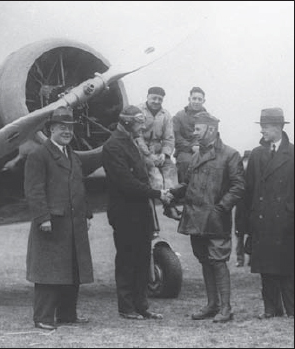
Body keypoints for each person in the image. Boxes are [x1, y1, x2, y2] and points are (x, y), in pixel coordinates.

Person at [170, 111, 245, 323]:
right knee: (204, 261)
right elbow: (188, 184)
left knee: (218, 261)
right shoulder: (195, 155)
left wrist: (221, 208)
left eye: (197, 129)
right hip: (196, 219)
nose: (193, 133)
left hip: (215, 220)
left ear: (210, 129)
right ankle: (212, 305)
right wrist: (174, 192)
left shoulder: (230, 154)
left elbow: (239, 186)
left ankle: (226, 308)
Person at [24, 106, 94, 330]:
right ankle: (43, 318)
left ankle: (67, 315)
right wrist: (43, 218)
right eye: (62, 127)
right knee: (48, 273)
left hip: (73, 223)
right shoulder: (38, 155)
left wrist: (88, 214)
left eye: (70, 128)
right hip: (52, 224)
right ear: (51, 129)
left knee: (72, 270)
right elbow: (34, 191)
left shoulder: (72, 155)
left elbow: (80, 186)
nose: (67, 132)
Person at [102, 105, 173, 321]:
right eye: (139, 123)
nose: (142, 127)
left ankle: (141, 306)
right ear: (126, 123)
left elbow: (139, 176)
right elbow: (126, 183)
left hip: (140, 211)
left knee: (142, 259)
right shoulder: (113, 146)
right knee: (126, 260)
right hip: (125, 214)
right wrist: (157, 193)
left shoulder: (132, 143)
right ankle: (126, 307)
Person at [244, 108, 294, 320]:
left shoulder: (292, 154)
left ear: (278, 128)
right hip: (262, 220)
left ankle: (291, 309)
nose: (262, 130)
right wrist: (247, 224)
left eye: (265, 126)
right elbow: (249, 190)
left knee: (287, 266)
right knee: (266, 265)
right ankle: (270, 308)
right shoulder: (256, 154)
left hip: (286, 220)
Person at [135, 86, 179, 191]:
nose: (156, 101)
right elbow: (137, 135)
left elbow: (169, 137)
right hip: (140, 150)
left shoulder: (165, 114)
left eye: (160, 99)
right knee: (156, 176)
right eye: (154, 98)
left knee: (170, 170)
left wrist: (164, 154)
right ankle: (157, 200)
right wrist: (148, 155)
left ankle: (170, 200)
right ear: (147, 97)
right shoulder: (138, 111)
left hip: (158, 150)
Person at [172, 86, 207, 183]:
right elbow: (176, 137)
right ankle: (183, 192)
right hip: (184, 150)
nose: (196, 101)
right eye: (194, 98)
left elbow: (210, 136)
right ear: (189, 99)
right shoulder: (179, 116)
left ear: (204, 101)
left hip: (202, 150)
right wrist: (191, 147)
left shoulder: (208, 118)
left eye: (199, 99)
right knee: (186, 162)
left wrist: (200, 147)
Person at [234, 150, 252, 267]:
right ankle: (241, 259)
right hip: (242, 207)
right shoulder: (239, 172)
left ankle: (249, 259)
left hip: (249, 207)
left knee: (251, 234)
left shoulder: (253, 172)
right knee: (240, 235)